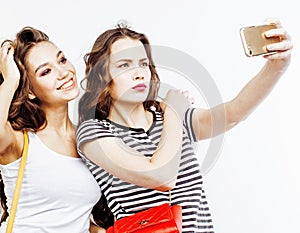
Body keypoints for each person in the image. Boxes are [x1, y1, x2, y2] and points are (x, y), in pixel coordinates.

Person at [76, 19, 292, 232]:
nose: (140, 73)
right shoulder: (95, 132)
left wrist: (276, 67)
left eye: (143, 63)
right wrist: (172, 109)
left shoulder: (171, 119)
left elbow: (234, 113)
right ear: (102, 75)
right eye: (124, 65)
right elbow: (161, 177)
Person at [0, 27, 107, 233]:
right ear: (30, 90)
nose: (63, 73)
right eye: (46, 71)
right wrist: (11, 80)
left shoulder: (88, 139)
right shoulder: (18, 140)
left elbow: (72, 215)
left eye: (62, 60)